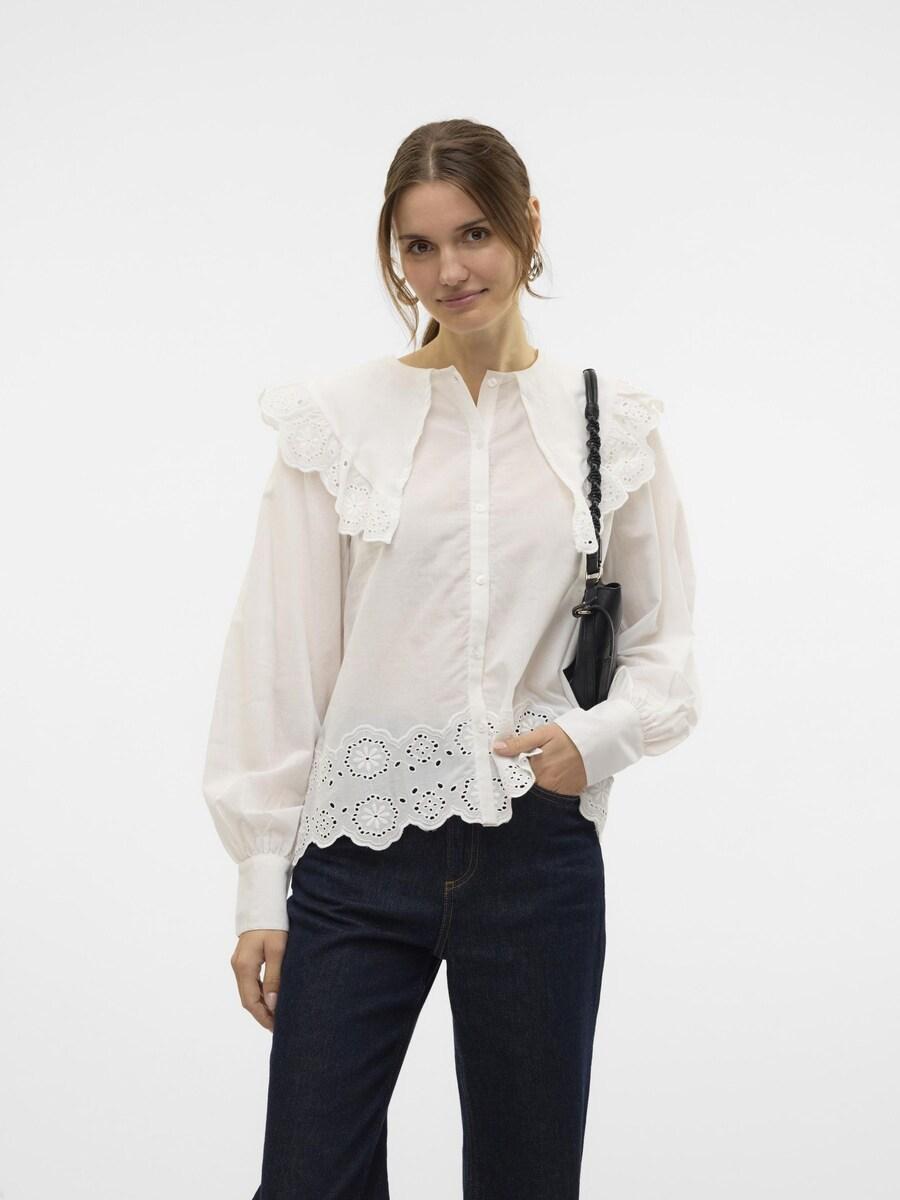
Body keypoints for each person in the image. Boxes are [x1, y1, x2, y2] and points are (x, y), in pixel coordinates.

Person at [201, 118, 701, 1200]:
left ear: (528, 224)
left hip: (537, 858)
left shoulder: (608, 424)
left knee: (527, 1181)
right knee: (308, 1178)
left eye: (473, 234)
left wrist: (593, 740)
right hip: (355, 855)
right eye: (418, 247)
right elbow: (278, 662)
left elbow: (665, 650)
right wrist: (259, 884)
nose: (448, 272)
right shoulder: (337, 423)